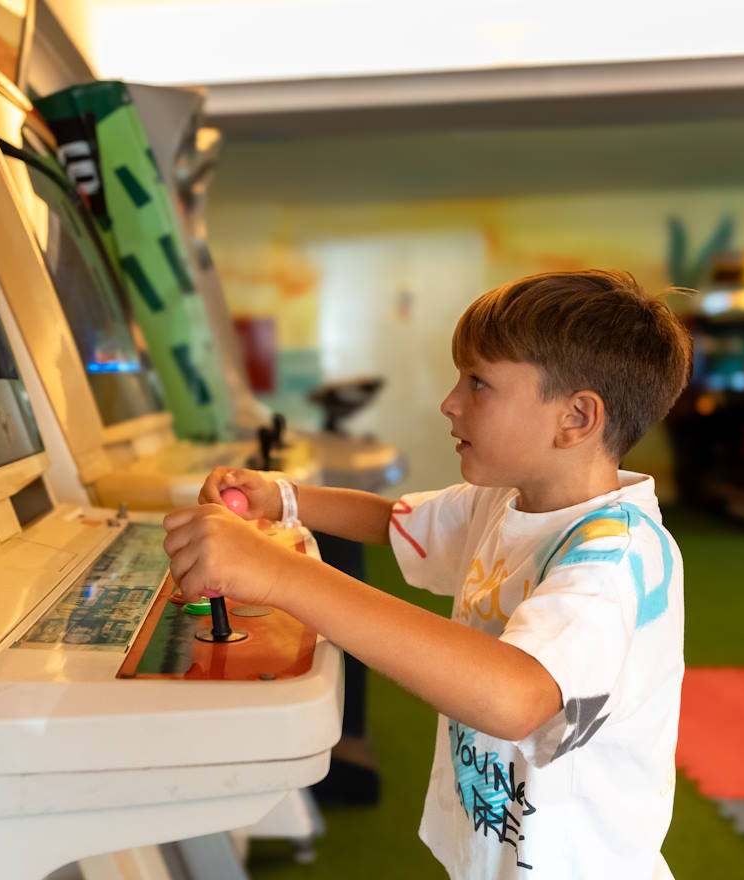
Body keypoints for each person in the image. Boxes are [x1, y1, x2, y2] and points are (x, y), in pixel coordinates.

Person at [163, 270, 692, 879]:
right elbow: (395, 521)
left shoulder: (616, 560)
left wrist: (279, 574)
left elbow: (516, 698)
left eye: (478, 382)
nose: (449, 402)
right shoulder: (509, 501)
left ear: (574, 417)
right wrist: (283, 499)